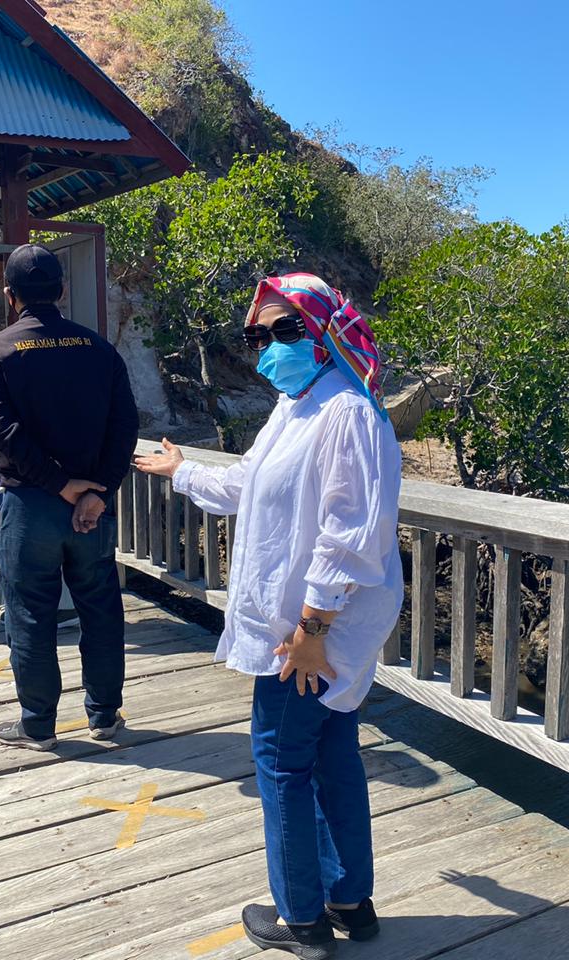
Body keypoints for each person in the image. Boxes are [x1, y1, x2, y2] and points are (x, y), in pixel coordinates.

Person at [135, 272, 403, 960]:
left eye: (286, 330)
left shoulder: (347, 411)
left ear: (324, 334)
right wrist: (182, 470)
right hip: (307, 627)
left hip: (310, 632)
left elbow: (350, 534)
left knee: (281, 762)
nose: (269, 345)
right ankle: (349, 900)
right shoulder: (298, 404)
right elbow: (248, 484)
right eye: (259, 334)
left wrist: (312, 633)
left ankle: (302, 920)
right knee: (332, 754)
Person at [0, 243, 138, 751]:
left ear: (9, 294)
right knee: (101, 608)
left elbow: (3, 431)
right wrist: (98, 490)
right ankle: (105, 715)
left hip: (31, 505)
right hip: (92, 505)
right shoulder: (98, 349)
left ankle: (38, 723)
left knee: (30, 612)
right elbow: (124, 426)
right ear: (62, 291)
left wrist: (56, 484)